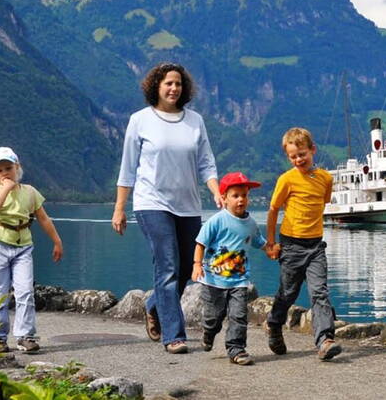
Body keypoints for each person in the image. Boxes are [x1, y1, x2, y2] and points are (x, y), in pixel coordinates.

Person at [112, 62, 220, 354]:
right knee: (168, 265)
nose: (174, 88)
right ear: (156, 86)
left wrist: (216, 191)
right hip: (151, 203)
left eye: (178, 84)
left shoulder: (195, 121)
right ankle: (174, 335)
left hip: (188, 206)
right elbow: (128, 167)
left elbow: (206, 163)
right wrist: (120, 207)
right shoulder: (140, 120)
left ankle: (153, 304)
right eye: (168, 83)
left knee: (186, 268)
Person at [264, 127, 343, 361]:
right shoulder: (286, 179)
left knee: (319, 292)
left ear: (313, 150)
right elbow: (273, 209)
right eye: (293, 156)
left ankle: (325, 340)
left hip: (316, 245)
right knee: (288, 293)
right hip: (291, 245)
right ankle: (274, 323)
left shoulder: (325, 178)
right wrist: (271, 242)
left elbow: (323, 201)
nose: (298, 159)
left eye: (302, 154)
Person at [191, 172, 278, 365]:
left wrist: (269, 250)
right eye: (235, 196)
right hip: (213, 281)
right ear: (224, 198)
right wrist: (197, 264)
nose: (241, 200)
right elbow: (200, 243)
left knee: (238, 316)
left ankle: (236, 349)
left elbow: (258, 241)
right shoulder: (216, 221)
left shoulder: (251, 223)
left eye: (244, 195)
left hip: (239, 281)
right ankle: (208, 332)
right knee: (213, 317)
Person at [0, 147, 63, 353]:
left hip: (23, 246)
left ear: (17, 167)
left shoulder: (30, 192)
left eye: (9, 168)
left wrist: (56, 241)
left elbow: (43, 218)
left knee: (25, 291)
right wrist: (6, 189)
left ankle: (25, 336)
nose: (5, 173)